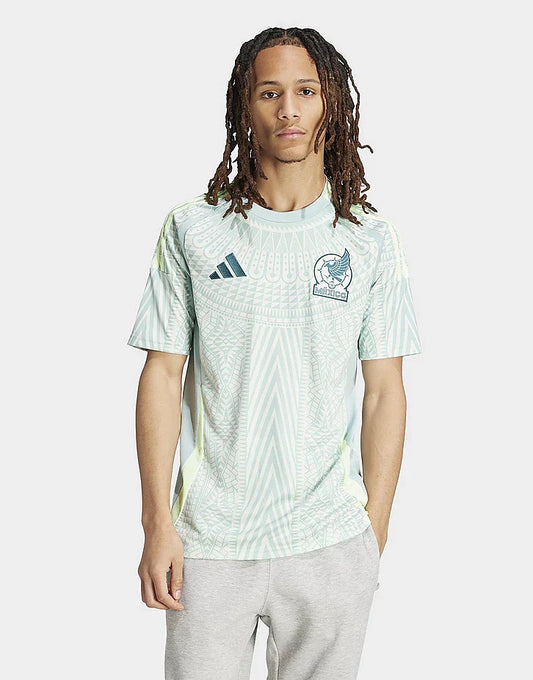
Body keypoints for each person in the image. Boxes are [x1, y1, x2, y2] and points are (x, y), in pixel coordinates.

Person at [127, 26, 422, 680]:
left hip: (329, 542)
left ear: (330, 103)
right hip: (209, 542)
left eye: (305, 91)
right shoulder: (193, 229)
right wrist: (156, 525)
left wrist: (371, 534)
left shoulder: (370, 240)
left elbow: (384, 391)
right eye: (269, 92)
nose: (288, 109)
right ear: (245, 105)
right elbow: (162, 375)